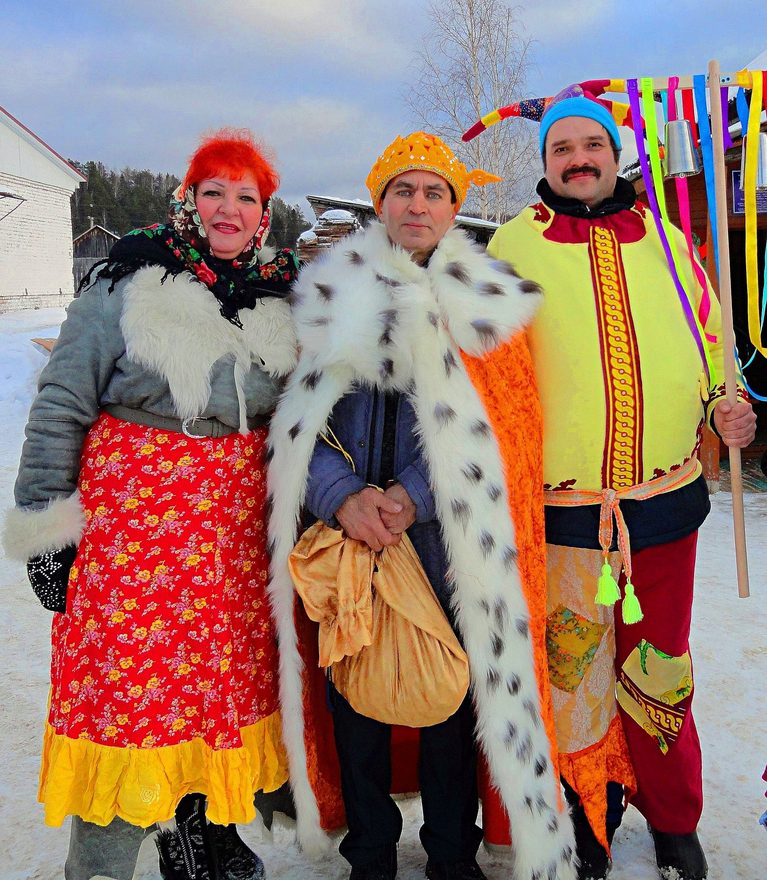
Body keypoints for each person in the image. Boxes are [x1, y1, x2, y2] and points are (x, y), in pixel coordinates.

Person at [265, 132, 577, 880]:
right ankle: (369, 850)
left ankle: (449, 853)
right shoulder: (328, 295)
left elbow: (507, 433)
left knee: (447, 707)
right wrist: (342, 500)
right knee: (355, 700)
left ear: (451, 208)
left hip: (444, 544)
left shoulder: (486, 306)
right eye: (403, 190)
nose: (418, 203)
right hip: (345, 543)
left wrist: (412, 494)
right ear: (379, 203)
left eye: (434, 191)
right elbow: (293, 428)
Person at [2, 129, 299, 880]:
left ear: (264, 215)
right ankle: (101, 863)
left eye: (247, 197)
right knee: (125, 703)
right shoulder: (126, 285)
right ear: (187, 201)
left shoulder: (279, 298)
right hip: (134, 541)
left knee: (220, 694)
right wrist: (45, 527)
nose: (229, 209)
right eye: (214, 192)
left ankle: (199, 832)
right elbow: (61, 403)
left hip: (232, 544)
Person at [480, 93, 757, 880]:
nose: (577, 158)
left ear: (615, 153)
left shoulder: (670, 245)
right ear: (543, 164)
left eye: (590, 144)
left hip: (662, 506)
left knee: (658, 667)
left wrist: (724, 405)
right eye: (560, 147)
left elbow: (712, 348)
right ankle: (588, 817)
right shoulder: (510, 246)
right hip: (560, 514)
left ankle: (672, 820)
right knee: (574, 674)